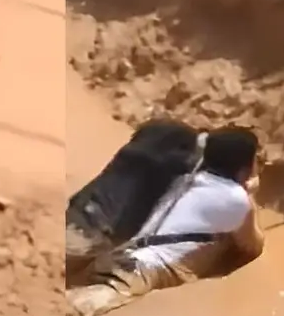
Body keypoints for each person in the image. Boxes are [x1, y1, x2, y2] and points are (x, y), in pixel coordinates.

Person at [66, 125, 265, 316]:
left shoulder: (186, 178)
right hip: (142, 271)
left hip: (118, 255)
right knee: (73, 311)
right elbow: (252, 246)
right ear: (244, 169)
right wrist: (249, 196)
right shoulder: (235, 198)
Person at [66, 118, 201, 283]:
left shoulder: (135, 155)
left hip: (90, 224)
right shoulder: (149, 159)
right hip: (90, 227)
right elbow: (182, 163)